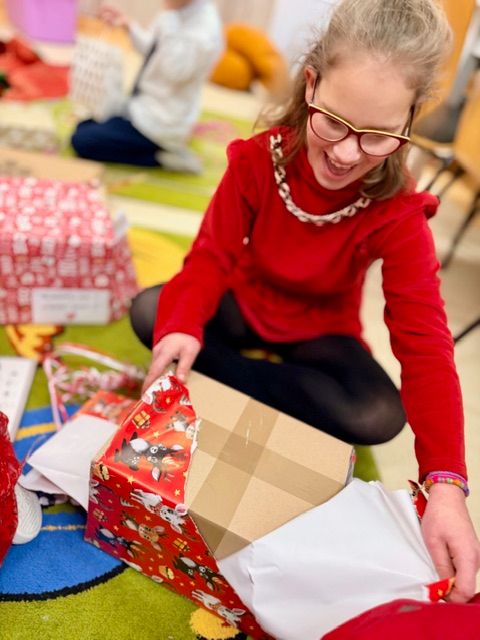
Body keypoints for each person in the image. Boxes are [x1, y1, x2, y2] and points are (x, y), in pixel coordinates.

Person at [129, 0, 480, 602]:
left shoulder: (399, 212)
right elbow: (209, 259)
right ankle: (221, 370)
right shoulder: (256, 158)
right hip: (244, 300)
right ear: (311, 84)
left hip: (322, 327)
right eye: (334, 122)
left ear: (409, 120)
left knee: (378, 416)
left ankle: (216, 380)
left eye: (377, 135)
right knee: (152, 313)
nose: (346, 154)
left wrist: (446, 484)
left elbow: (424, 342)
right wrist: (183, 326)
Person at [71, 0, 224, 172]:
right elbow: (152, 49)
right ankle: (151, 146)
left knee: (83, 141)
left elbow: (173, 71)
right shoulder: (176, 12)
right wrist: (128, 26)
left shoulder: (204, 29)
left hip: (161, 123)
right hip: (140, 109)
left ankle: (162, 156)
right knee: (83, 126)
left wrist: (171, 21)